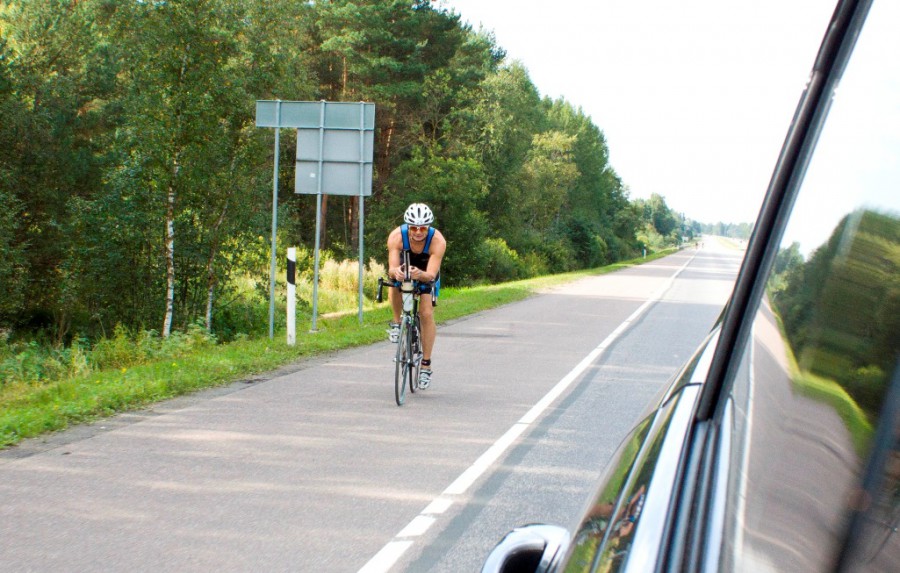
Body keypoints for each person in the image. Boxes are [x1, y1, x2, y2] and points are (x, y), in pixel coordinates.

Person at [386, 203, 446, 389]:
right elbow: (391, 269)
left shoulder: (438, 241)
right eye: (414, 227)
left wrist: (420, 274)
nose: (418, 232)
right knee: (394, 284)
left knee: (426, 314)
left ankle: (426, 365)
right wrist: (397, 273)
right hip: (405, 262)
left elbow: (430, 275)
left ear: (428, 227)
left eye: (423, 228)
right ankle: (397, 323)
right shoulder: (396, 237)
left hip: (426, 269)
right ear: (408, 227)